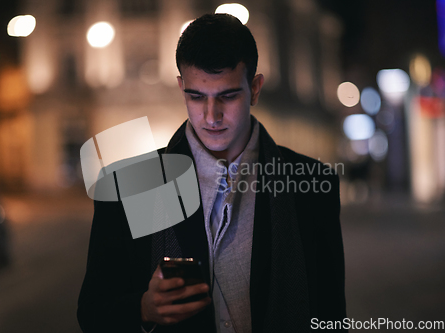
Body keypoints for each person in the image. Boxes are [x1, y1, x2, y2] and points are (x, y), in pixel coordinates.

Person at [77, 13, 346, 333]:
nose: (211, 115)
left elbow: (330, 316)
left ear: (255, 89)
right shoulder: (133, 185)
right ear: (181, 88)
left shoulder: (311, 183)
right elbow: (93, 312)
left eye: (228, 96)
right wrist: (143, 309)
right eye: (196, 96)